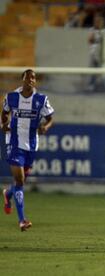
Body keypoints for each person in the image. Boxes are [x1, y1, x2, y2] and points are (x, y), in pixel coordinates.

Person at [1, 69, 54, 231]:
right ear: (22, 79)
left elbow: (50, 118)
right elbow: (4, 113)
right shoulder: (11, 97)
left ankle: (8, 194)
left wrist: (45, 126)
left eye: (33, 78)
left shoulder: (41, 99)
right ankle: (22, 220)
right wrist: (4, 124)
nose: (31, 80)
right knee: (20, 180)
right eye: (28, 77)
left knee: (19, 182)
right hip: (14, 142)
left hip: (31, 145)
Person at [87, 15, 105, 92]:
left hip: (103, 55)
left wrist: (101, 31)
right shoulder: (92, 30)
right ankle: (91, 86)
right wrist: (95, 35)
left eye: (98, 21)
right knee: (93, 72)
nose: (97, 23)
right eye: (95, 21)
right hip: (94, 54)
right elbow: (89, 40)